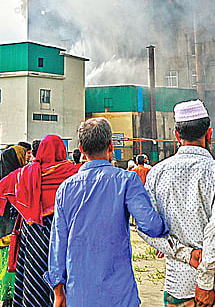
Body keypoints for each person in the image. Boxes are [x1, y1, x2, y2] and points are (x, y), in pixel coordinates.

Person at [48, 118, 169, 307]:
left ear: (81, 149)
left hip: (79, 294)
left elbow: (58, 242)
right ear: (111, 146)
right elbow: (151, 226)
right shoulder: (126, 181)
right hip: (119, 294)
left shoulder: (65, 189)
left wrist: (58, 291)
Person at [139, 100, 215, 307]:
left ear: (176, 135)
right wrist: (205, 282)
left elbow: (145, 228)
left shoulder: (157, 173)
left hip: (179, 283)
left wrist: (186, 254)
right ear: (209, 133)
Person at [0, 134, 78, 307]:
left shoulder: (25, 173)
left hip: (34, 230)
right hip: (65, 230)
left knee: (34, 272)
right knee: (65, 273)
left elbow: (2, 189)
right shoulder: (73, 172)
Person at [0, 145, 27, 307]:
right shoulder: (14, 179)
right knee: (12, 270)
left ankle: (7, 301)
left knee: (4, 268)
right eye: (22, 158)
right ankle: (10, 301)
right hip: (12, 232)